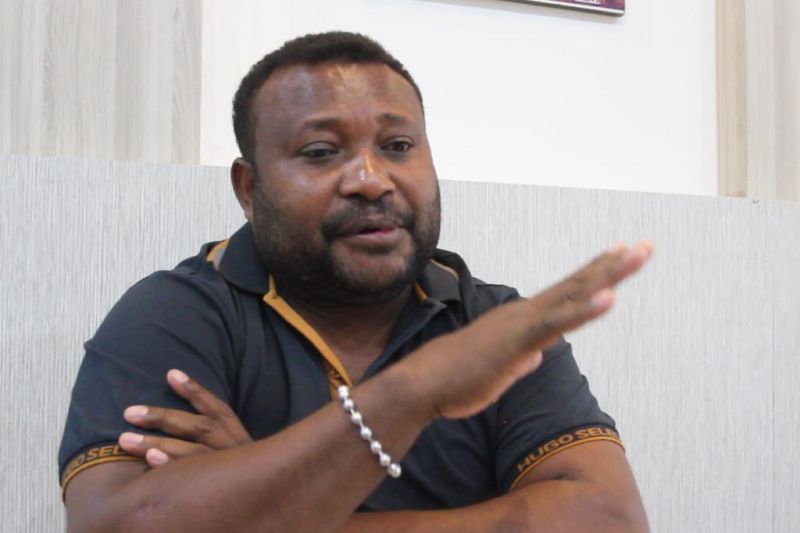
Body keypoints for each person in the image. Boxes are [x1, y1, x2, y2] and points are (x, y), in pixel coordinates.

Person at [59, 32, 651, 532]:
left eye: (398, 146)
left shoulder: (490, 324)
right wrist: (412, 392)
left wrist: (266, 503)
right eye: (321, 152)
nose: (371, 179)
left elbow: (607, 519)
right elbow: (113, 523)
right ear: (249, 188)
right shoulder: (178, 314)